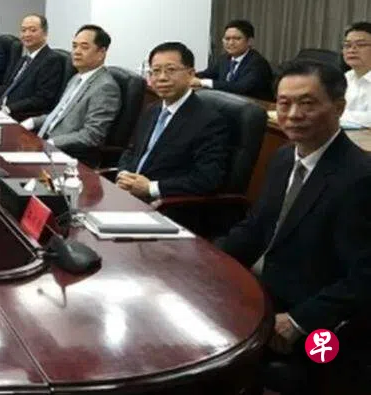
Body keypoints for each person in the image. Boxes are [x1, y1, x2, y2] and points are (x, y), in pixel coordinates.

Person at [217, 60, 371, 390]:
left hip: (318, 321)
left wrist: (301, 321)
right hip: (263, 291)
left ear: (339, 107)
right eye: (284, 103)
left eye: (307, 103)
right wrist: (206, 259)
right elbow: (255, 228)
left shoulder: (360, 177)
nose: (293, 114)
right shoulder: (284, 157)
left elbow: (364, 275)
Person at [117, 42, 229, 200]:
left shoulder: (209, 121)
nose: (162, 78)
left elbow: (207, 178)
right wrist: (124, 174)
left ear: (191, 74)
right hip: (130, 195)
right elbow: (131, 150)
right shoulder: (151, 110)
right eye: (156, 71)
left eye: (170, 70)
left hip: (167, 204)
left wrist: (152, 188)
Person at [22, 25, 120, 155]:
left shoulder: (105, 87)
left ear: (101, 53)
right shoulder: (76, 78)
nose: (76, 52)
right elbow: (59, 115)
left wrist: (51, 143)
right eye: (74, 46)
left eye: (84, 47)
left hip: (67, 153)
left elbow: (91, 135)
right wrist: (32, 122)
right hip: (44, 141)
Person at [0, 13, 64, 119]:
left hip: (20, 116)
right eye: (23, 30)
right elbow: (8, 87)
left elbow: (42, 99)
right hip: (0, 112)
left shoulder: (51, 60)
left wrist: (9, 109)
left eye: (32, 30)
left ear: (45, 33)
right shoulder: (24, 59)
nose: (27, 34)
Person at [191, 19, 273, 100]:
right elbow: (207, 74)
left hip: (254, 105)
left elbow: (240, 88)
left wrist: (203, 82)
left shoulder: (258, 63)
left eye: (237, 39)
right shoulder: (224, 59)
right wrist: (188, 77)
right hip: (228, 102)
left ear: (249, 41)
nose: (231, 43)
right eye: (227, 39)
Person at [340, 20, 371, 129]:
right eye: (347, 45)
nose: (352, 50)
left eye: (361, 45)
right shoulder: (345, 78)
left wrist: (334, 114)